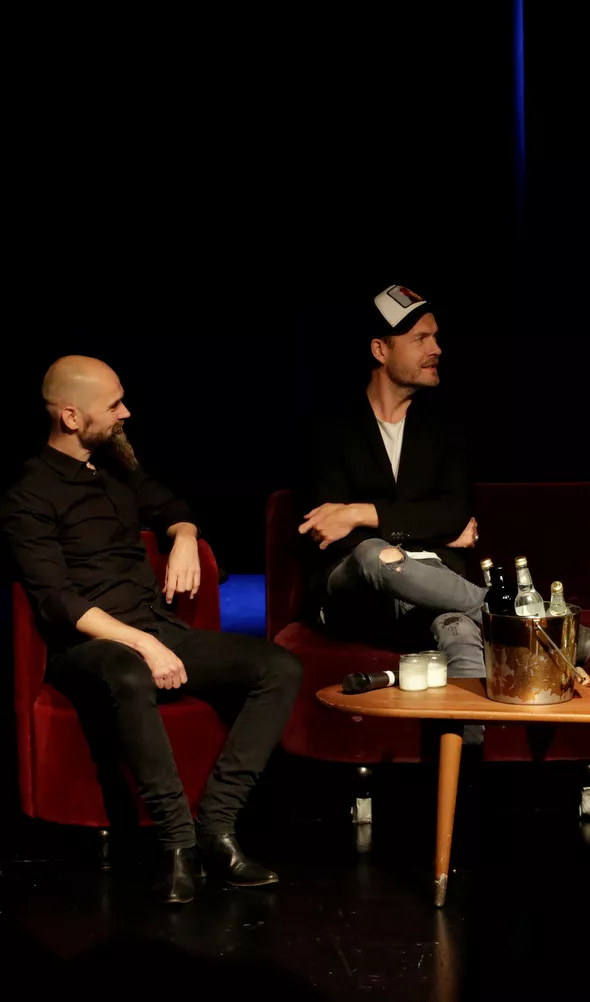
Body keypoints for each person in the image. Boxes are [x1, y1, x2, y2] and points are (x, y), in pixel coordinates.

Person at [1, 356, 303, 904]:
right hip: (89, 646)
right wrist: (141, 643)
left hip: (157, 627)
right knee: (128, 671)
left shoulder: (116, 470)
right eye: (113, 404)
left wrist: (184, 536)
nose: (126, 413)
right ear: (71, 416)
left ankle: (217, 827)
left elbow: (171, 506)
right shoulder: (29, 494)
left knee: (278, 666)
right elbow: (57, 600)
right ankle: (176, 844)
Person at [300, 284, 487, 677]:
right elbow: (329, 530)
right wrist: (433, 530)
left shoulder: (447, 425)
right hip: (356, 591)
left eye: (435, 337)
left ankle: (467, 722)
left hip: (431, 585)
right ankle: (503, 612)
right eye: (420, 339)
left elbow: (455, 512)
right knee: (372, 553)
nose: (436, 349)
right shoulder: (330, 427)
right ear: (380, 350)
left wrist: (359, 512)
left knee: (460, 632)